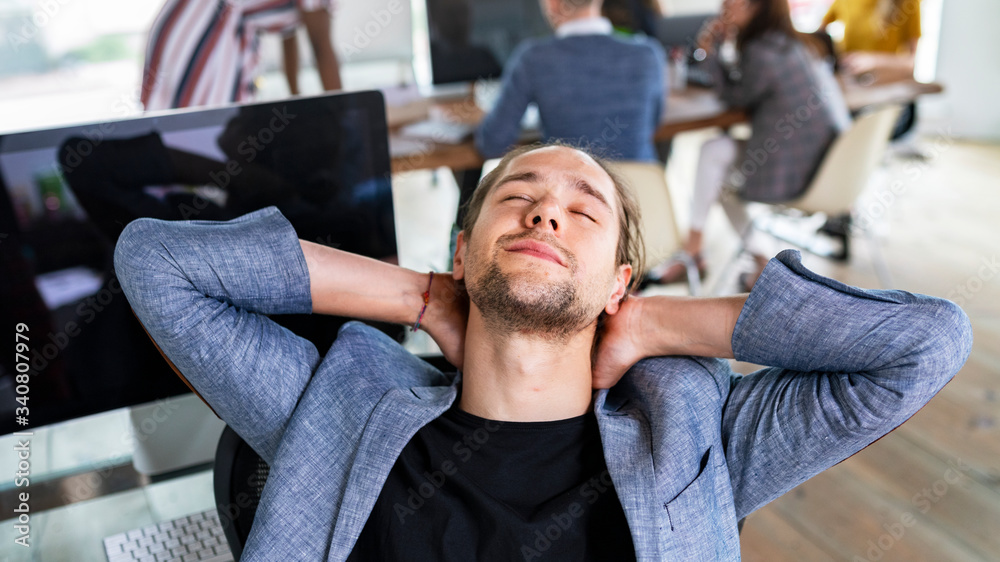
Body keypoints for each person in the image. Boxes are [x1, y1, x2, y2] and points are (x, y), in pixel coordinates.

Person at [114, 142, 971, 560]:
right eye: (515, 197)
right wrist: (419, 297)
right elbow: (158, 262)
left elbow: (926, 342)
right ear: (462, 251)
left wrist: (663, 325)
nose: (545, 212)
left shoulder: (696, 433)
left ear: (619, 280)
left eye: (583, 210)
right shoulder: (338, 406)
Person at [648, 0, 851, 289]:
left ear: (759, 8)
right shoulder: (788, 43)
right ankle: (752, 263)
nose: (725, 6)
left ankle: (704, 253)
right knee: (715, 156)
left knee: (715, 162)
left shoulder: (761, 51)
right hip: (827, 163)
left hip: (799, 168)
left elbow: (734, 97)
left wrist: (709, 50)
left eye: (735, 2)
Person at [475, 0, 666, 163]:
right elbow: (653, 122)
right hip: (641, 195)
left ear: (552, 4)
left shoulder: (533, 58)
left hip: (574, 197)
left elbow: (492, 142)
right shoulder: (649, 54)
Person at [141, 0, 342, 111]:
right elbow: (321, 47)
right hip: (205, 29)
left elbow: (289, 34)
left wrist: (296, 100)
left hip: (180, 21)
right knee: (211, 143)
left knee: (179, 139)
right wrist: (347, 122)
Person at [821, 0, 922, 140]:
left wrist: (872, 60)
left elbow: (910, 63)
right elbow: (819, 35)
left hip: (885, 92)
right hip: (852, 87)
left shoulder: (908, 3)